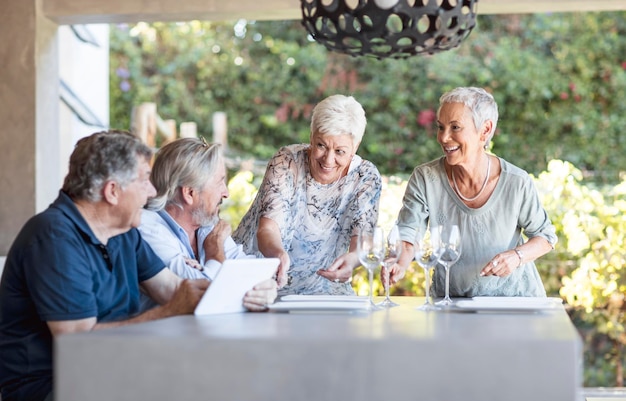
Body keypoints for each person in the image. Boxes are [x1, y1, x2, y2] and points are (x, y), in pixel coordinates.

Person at [0, 130, 277, 401]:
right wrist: (170, 310)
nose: (153, 192)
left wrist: (253, 289)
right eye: (144, 179)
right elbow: (79, 344)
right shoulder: (54, 238)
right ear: (112, 191)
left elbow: (175, 289)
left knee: (222, 386)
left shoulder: (122, 233)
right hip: (55, 389)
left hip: (113, 369)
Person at [391, 87, 557, 297]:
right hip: (451, 303)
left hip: (514, 302)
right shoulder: (425, 178)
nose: (444, 137)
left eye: (455, 127)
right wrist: (400, 264)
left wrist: (516, 256)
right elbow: (409, 232)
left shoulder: (517, 182)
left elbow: (546, 237)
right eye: (440, 127)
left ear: (485, 130)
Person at [232, 94, 382, 295]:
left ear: (356, 146)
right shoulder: (286, 162)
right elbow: (267, 229)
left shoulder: (366, 177)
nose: (328, 160)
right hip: (261, 280)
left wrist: (353, 260)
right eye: (321, 145)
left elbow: (362, 243)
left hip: (323, 286)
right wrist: (278, 255)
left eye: (340, 151)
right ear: (311, 137)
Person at [137, 138, 259, 310]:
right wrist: (215, 250)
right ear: (190, 193)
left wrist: (263, 289)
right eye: (219, 182)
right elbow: (204, 296)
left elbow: (254, 272)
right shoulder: (147, 227)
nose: (226, 193)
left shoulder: (206, 223)